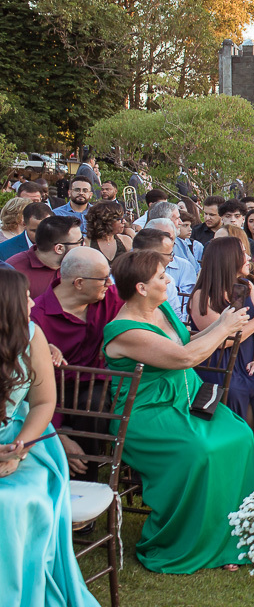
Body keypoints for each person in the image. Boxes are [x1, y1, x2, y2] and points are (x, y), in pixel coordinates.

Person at [102, 250, 254, 573]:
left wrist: (222, 330)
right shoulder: (125, 330)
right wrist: (222, 326)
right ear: (141, 288)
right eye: (161, 276)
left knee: (240, 434)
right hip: (145, 412)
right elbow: (185, 358)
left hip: (186, 397)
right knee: (201, 451)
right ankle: (188, 539)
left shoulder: (162, 311)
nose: (169, 279)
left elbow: (189, 341)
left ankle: (235, 534)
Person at [0, 268, 102, 606]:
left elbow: (43, 402)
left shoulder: (31, 335)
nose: (32, 301)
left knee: (12, 502)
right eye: (25, 295)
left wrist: (19, 449)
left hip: (25, 438)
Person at [190, 237, 254, 486]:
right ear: (226, 259)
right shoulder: (202, 296)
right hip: (216, 363)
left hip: (249, 357)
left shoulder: (247, 286)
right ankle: (238, 468)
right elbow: (220, 340)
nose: (248, 257)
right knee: (235, 392)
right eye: (242, 253)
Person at [31, 248, 122, 474]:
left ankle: (86, 479)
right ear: (79, 283)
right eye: (103, 278)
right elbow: (36, 387)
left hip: (94, 387)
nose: (109, 283)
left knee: (93, 402)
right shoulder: (38, 317)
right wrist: (58, 433)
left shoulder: (107, 299)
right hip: (49, 392)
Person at [9, 215, 81, 299]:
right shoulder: (14, 271)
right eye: (79, 242)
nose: (84, 245)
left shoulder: (82, 265)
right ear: (59, 248)